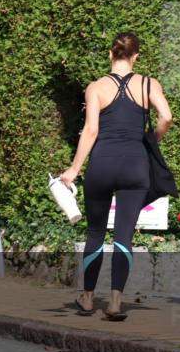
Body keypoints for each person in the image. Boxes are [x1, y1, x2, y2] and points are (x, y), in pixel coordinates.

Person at [60, 33, 172, 320]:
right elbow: (167, 117)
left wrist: (74, 169)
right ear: (136, 56)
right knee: (124, 234)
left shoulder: (96, 87)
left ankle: (86, 299)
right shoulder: (149, 84)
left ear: (111, 54)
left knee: (95, 231)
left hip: (102, 164)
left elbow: (91, 131)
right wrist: (152, 141)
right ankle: (114, 303)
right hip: (136, 164)